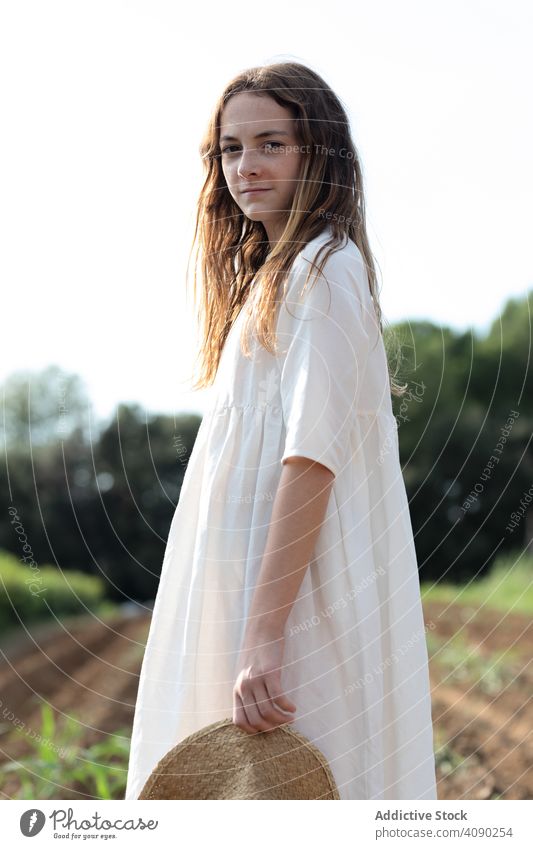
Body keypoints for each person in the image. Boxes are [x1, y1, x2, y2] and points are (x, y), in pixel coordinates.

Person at [124, 61, 437, 801]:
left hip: (291, 601)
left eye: (270, 143)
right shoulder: (279, 272)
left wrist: (263, 635)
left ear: (316, 153)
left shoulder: (325, 269)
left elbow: (311, 458)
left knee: (303, 784)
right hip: (245, 585)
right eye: (230, 149)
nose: (246, 166)